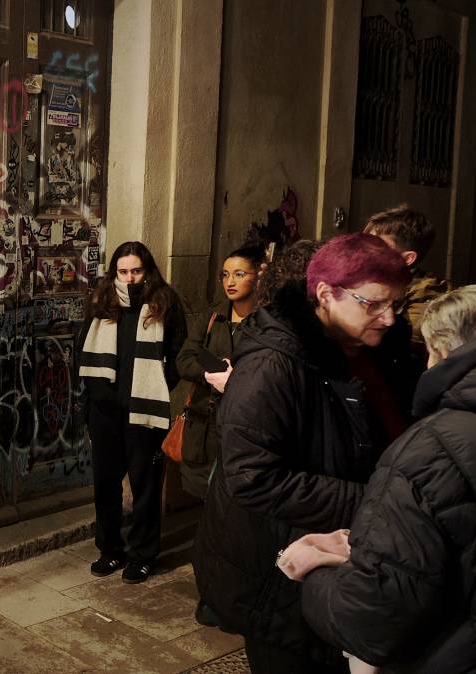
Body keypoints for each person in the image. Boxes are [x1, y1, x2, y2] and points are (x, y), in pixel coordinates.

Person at [192, 233, 410, 673]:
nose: (388, 318)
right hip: (276, 576)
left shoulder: (356, 349)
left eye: (396, 305)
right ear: (327, 295)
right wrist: (370, 501)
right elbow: (253, 476)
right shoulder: (273, 366)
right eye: (374, 304)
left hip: (325, 563)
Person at [298, 285, 476, 673]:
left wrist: (312, 576)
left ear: (443, 351)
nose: (388, 318)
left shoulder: (427, 452)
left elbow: (370, 615)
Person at [79, 241, 187, 584]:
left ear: (147, 270)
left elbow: (178, 354)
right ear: (115, 273)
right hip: (105, 411)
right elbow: (81, 349)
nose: (129, 278)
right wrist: (97, 396)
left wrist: (155, 389)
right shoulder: (101, 301)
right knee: (106, 486)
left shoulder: (164, 302)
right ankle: (110, 550)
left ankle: (142, 555)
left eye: (136, 271)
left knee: (145, 487)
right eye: (123, 271)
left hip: (144, 411)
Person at [175, 245, 266, 499]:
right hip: (205, 424)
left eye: (239, 274)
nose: (230, 282)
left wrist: (235, 379)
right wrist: (210, 373)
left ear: (258, 275)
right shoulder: (213, 316)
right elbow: (184, 360)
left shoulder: (266, 321)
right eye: (225, 275)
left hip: (243, 425)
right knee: (204, 498)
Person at [362, 204, 452, 356]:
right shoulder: (366, 278)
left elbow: (404, 347)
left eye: (377, 245)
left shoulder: (428, 294)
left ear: (408, 258)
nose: (364, 250)